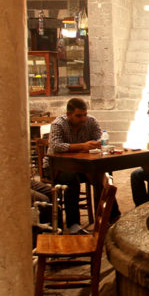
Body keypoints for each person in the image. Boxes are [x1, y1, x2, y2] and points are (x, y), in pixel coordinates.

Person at [45, 97, 102, 232]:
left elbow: (100, 138)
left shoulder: (91, 121)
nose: (83, 119)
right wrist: (82, 146)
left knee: (102, 173)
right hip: (55, 167)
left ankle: (109, 216)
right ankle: (73, 224)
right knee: (71, 178)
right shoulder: (58, 124)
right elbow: (56, 146)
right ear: (68, 114)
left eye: (84, 115)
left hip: (81, 165)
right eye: (78, 116)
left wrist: (97, 143)